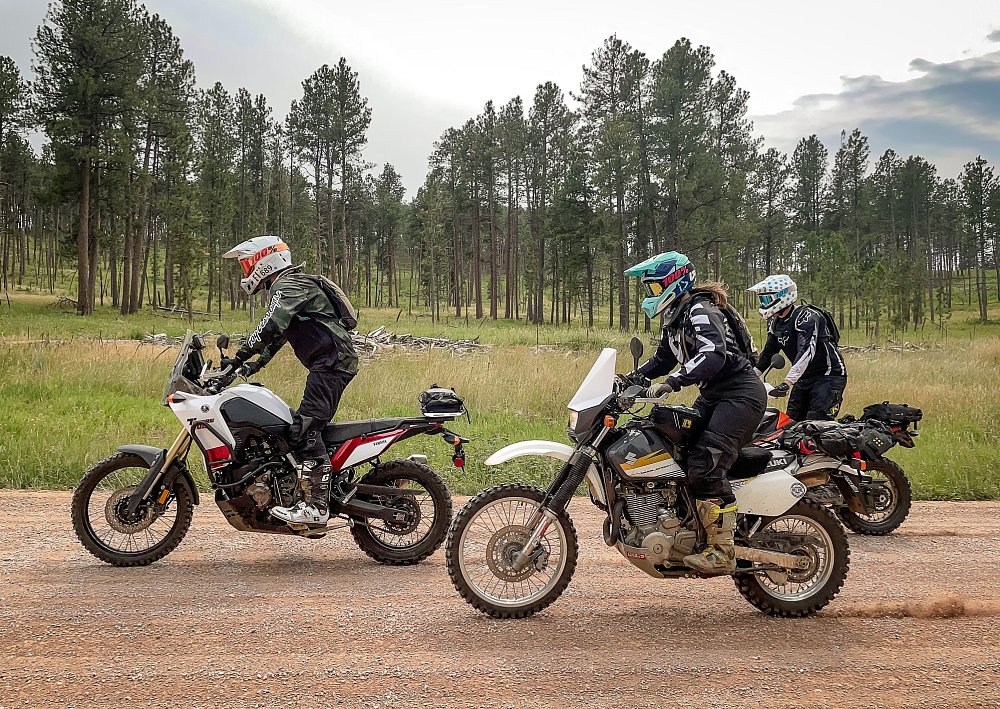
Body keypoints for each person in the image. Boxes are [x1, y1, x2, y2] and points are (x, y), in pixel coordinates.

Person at [621, 252, 766, 575]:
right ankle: (687, 529)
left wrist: (672, 383)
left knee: (705, 464)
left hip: (740, 395)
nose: (651, 297)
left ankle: (722, 551)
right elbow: (660, 361)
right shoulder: (677, 317)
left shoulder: (701, 310)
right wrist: (626, 382)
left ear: (675, 283)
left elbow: (713, 354)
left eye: (655, 289)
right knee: (678, 455)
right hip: (716, 396)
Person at [222, 235, 359, 528]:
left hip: (332, 364)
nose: (246, 270)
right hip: (329, 363)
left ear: (265, 260)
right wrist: (247, 365)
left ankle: (316, 507)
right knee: (299, 428)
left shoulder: (289, 285)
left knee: (305, 430)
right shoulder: (293, 286)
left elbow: (270, 326)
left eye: (248, 263)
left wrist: (240, 353)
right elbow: (279, 336)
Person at [747, 275, 847, 422]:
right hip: (803, 377)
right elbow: (768, 354)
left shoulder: (807, 317)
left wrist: (786, 383)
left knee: (816, 424)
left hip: (829, 375)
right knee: (791, 423)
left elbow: (807, 351)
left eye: (766, 300)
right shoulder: (775, 322)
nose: (763, 304)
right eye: (762, 300)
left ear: (783, 296)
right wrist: (749, 378)